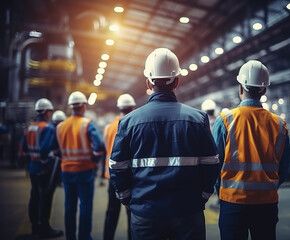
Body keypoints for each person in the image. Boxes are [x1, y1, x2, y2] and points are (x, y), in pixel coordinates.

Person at [109, 48, 220, 240]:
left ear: (148, 83)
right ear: (176, 81)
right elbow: (211, 163)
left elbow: (117, 167)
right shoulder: (198, 119)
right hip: (188, 211)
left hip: (145, 212)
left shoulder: (128, 122)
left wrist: (128, 199)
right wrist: (202, 196)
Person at [212, 60, 290, 240]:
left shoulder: (225, 120)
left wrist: (221, 191)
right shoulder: (279, 124)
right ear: (264, 90)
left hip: (232, 202)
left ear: (240, 88)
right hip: (267, 203)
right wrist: (268, 187)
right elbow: (284, 168)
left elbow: (214, 164)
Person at [55, 91, 104, 240]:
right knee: (85, 206)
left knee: (69, 206)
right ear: (83, 106)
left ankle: (70, 237)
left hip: (66, 172)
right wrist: (94, 161)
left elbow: (55, 150)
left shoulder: (60, 126)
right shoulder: (87, 124)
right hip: (84, 171)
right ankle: (84, 237)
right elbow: (99, 147)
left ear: (71, 107)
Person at [22, 98, 63, 238]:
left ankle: (35, 227)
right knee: (46, 198)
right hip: (43, 169)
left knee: (34, 197)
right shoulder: (48, 128)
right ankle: (45, 228)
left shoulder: (30, 127)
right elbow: (44, 149)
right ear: (46, 112)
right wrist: (46, 164)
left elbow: (24, 149)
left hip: (33, 167)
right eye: (50, 111)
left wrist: (33, 160)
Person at [103, 94, 136, 240]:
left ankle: (107, 237)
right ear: (133, 107)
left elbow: (106, 149)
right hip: (131, 176)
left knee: (112, 210)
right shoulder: (133, 124)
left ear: (119, 108)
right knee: (132, 212)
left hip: (112, 177)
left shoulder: (108, 127)